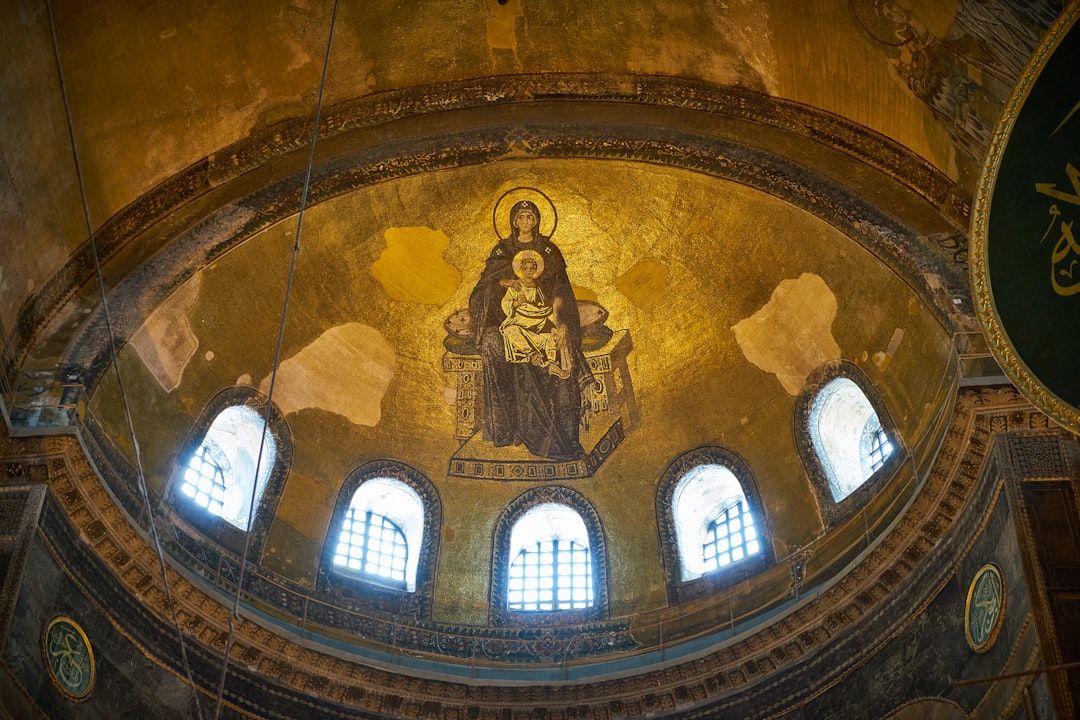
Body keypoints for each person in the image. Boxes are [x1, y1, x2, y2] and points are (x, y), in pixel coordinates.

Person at [468, 199, 591, 460]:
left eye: (530, 217)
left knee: (560, 350)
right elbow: (482, 291)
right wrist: (504, 282)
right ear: (514, 222)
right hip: (509, 322)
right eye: (520, 217)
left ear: (536, 221)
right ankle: (508, 428)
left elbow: (562, 292)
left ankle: (567, 437)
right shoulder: (502, 252)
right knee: (495, 344)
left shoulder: (549, 251)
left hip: (545, 322)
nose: (525, 222)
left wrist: (562, 323)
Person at [498, 250, 570, 379]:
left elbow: (545, 308)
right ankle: (532, 355)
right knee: (510, 331)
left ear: (536, 270)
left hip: (538, 321)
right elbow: (505, 302)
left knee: (549, 338)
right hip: (520, 320)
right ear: (521, 269)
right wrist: (516, 303)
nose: (529, 271)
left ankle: (552, 364)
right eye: (525, 268)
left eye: (532, 268)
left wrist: (553, 326)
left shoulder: (539, 287)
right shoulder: (516, 285)